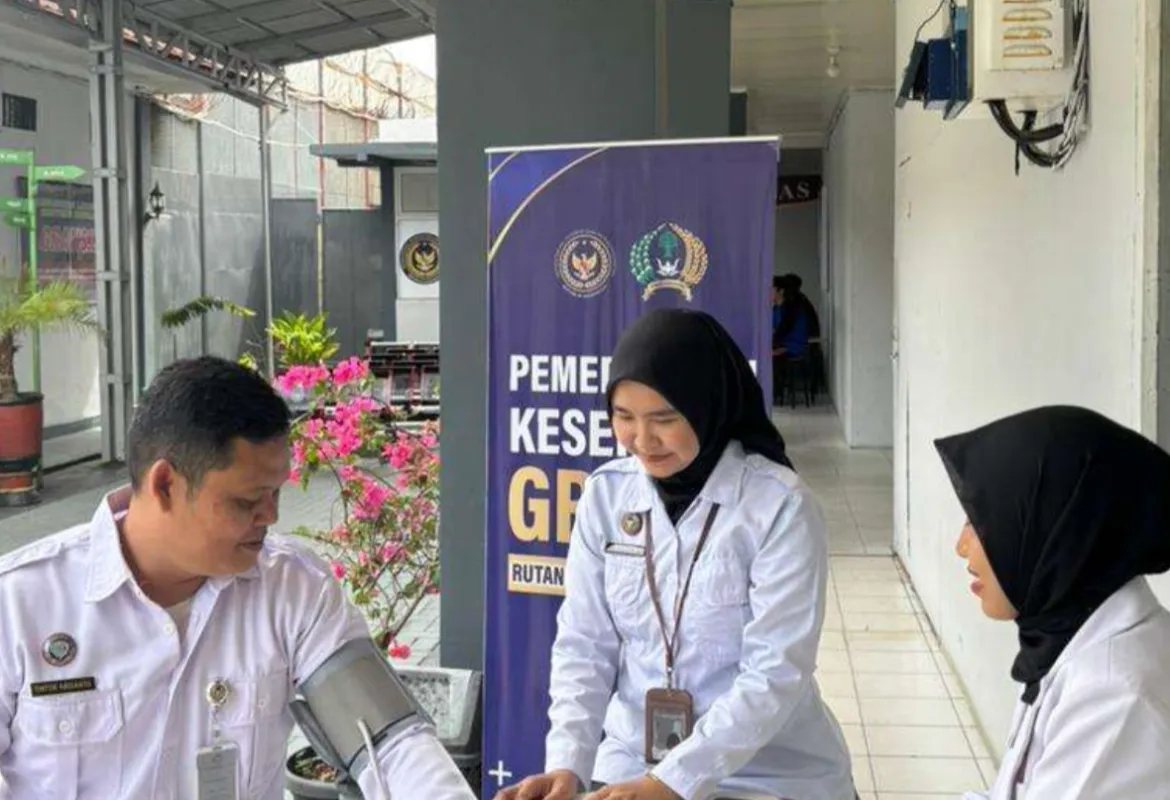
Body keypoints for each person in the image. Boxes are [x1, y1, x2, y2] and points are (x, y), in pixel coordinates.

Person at [0, 356, 475, 800]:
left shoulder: (294, 590)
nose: (270, 516)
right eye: (247, 501)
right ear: (165, 484)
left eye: (276, 494)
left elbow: (390, 742)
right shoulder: (21, 603)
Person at [496, 309, 855, 800]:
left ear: (708, 407)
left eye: (664, 419)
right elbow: (585, 642)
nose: (642, 441)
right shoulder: (606, 495)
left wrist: (671, 782)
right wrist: (568, 763)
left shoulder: (779, 506)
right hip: (632, 761)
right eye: (624, 417)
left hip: (768, 774)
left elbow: (776, 671)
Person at [935, 405, 1170, 799]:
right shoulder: (1067, 634)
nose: (961, 547)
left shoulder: (1114, 697)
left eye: (979, 525)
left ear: (1055, 531)